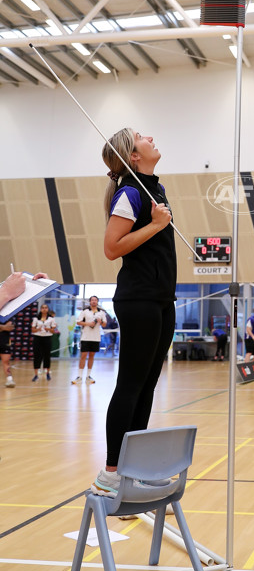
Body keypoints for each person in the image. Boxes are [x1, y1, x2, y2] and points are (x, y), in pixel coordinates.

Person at [91, 128, 176, 497]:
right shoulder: (129, 192)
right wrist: (157, 225)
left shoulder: (154, 188)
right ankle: (111, 474)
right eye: (143, 136)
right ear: (133, 156)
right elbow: (112, 248)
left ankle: (134, 469)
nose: (152, 137)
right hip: (138, 298)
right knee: (130, 384)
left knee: (146, 386)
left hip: (161, 298)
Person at [72, 295, 107, 384]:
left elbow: (104, 325)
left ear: (97, 302)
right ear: (90, 302)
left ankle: (88, 376)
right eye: (92, 300)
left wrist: (100, 321)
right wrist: (88, 323)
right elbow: (78, 322)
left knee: (91, 356)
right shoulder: (85, 311)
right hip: (85, 337)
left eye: (95, 300)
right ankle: (79, 376)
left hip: (96, 338)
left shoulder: (101, 313)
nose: (94, 301)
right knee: (83, 356)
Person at [31, 303, 57, 382]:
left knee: (47, 356)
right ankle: (36, 375)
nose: (44, 309)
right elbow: (33, 330)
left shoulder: (51, 319)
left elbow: (53, 330)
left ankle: (47, 373)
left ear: (48, 309)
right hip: (37, 338)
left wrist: (48, 329)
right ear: (40, 309)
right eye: (43, 308)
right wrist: (38, 329)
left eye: (46, 308)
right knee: (37, 356)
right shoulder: (36, 319)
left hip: (47, 338)